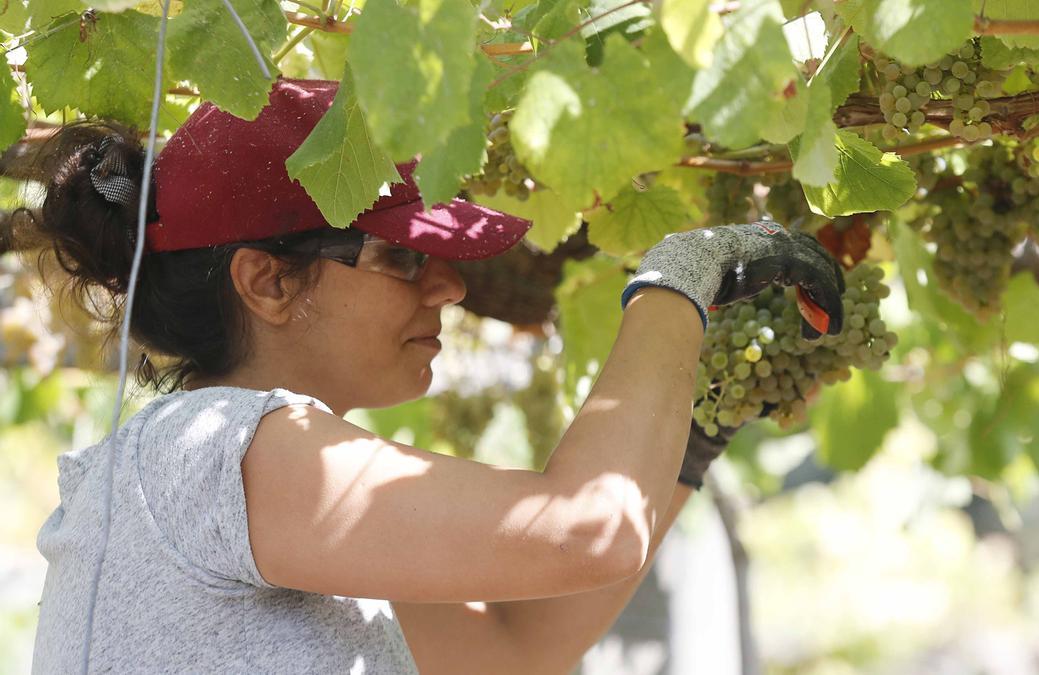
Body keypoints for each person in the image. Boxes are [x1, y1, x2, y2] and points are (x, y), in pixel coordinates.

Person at [16, 78, 844, 674]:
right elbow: (591, 527)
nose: (449, 286)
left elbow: (519, 651)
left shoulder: (233, 483)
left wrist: (692, 435)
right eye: (402, 256)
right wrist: (679, 278)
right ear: (266, 282)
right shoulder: (220, 450)